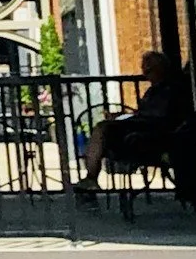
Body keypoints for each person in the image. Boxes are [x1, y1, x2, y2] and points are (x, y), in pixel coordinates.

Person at [81, 52, 189, 185]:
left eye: (148, 69)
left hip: (151, 134)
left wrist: (128, 119)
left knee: (103, 128)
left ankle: (91, 178)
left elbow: (156, 117)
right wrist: (125, 116)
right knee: (103, 130)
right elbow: (147, 114)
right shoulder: (157, 90)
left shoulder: (167, 90)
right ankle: (91, 177)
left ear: (160, 69)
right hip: (145, 129)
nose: (145, 73)